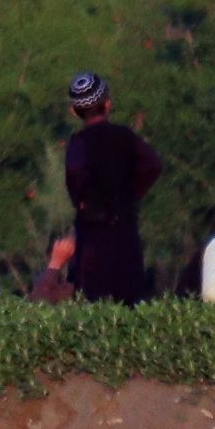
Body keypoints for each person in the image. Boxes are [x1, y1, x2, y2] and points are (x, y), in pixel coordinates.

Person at [59, 74, 165, 303]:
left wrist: (84, 201)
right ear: (107, 104)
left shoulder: (79, 143)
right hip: (126, 232)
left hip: (93, 237)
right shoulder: (126, 136)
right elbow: (153, 165)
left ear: (74, 111)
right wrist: (131, 193)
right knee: (130, 300)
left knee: (93, 302)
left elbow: (75, 176)